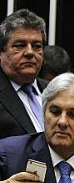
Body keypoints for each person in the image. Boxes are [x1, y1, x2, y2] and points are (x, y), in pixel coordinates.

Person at [0, 9, 48, 139]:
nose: (29, 52)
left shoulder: (54, 90)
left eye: (37, 46)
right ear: (1, 52)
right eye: (20, 45)